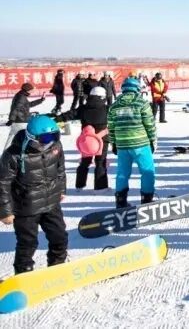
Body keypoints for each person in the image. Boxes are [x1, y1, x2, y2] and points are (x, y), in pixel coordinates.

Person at [0, 115, 67, 275]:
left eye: (54, 136)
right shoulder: (13, 155)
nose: (50, 141)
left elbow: (60, 169)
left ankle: (57, 265)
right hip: (26, 207)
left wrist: (61, 190)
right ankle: (23, 273)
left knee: (59, 237)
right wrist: (5, 212)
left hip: (51, 203)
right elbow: (2, 183)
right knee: (28, 243)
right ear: (32, 137)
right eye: (46, 138)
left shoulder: (55, 146)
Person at [108, 77, 158, 207]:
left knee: (122, 173)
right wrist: (153, 140)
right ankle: (147, 200)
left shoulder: (114, 106)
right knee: (147, 171)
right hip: (140, 143)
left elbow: (111, 127)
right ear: (137, 89)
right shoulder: (142, 104)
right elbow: (150, 125)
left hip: (122, 145)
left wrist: (114, 143)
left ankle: (121, 201)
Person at [56, 86, 110, 190]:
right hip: (102, 140)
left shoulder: (83, 108)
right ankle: (100, 188)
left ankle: (79, 186)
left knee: (85, 163)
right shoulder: (107, 109)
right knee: (100, 163)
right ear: (103, 97)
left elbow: (69, 115)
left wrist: (56, 119)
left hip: (86, 140)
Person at [5, 83, 46, 151]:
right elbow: (16, 108)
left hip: (20, 120)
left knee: (12, 139)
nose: (33, 91)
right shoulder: (21, 97)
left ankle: (7, 153)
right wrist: (11, 119)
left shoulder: (21, 95)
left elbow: (28, 105)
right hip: (20, 122)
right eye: (32, 90)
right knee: (28, 138)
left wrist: (40, 100)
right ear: (28, 90)